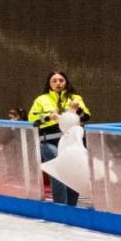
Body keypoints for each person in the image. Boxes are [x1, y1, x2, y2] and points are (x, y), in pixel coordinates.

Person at [29, 71, 91, 206]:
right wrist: (47, 117)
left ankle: (71, 206)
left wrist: (78, 110)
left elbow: (86, 117)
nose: (58, 83)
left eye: (61, 80)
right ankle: (60, 206)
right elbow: (32, 119)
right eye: (54, 80)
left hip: (71, 142)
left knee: (73, 172)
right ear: (49, 83)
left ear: (66, 82)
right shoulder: (41, 99)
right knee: (57, 170)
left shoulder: (75, 98)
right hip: (48, 141)